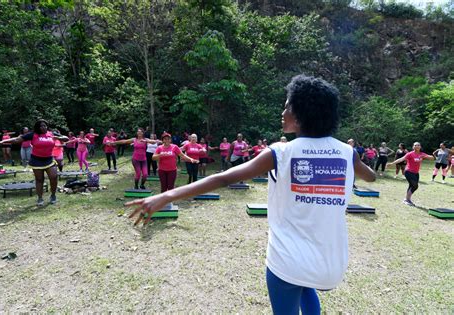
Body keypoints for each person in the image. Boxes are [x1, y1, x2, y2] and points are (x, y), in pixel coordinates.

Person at [127, 75, 376, 314]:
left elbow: (223, 178)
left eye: (286, 106)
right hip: (329, 267)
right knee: (306, 284)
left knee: (295, 280)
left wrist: (166, 197)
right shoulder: (347, 153)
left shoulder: (280, 152)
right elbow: (369, 176)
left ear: (300, 114)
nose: (282, 112)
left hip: (287, 263)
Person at [0, 120, 69, 205]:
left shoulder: (52, 134)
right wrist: (2, 142)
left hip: (49, 159)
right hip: (36, 160)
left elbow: (66, 138)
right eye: (41, 126)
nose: (44, 127)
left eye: (45, 126)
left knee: (54, 177)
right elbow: (17, 140)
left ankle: (53, 195)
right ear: (38, 127)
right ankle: (40, 198)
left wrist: (58, 137)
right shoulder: (32, 134)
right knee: (39, 180)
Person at [388, 142, 434, 206]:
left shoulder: (422, 154)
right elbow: (401, 159)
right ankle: (407, 199)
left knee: (411, 186)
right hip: (408, 172)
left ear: (420, 147)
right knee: (415, 186)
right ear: (413, 147)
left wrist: (431, 156)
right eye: (415, 145)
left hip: (416, 173)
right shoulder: (410, 154)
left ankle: (407, 199)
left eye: (418, 145)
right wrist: (392, 163)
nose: (417, 146)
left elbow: (431, 158)